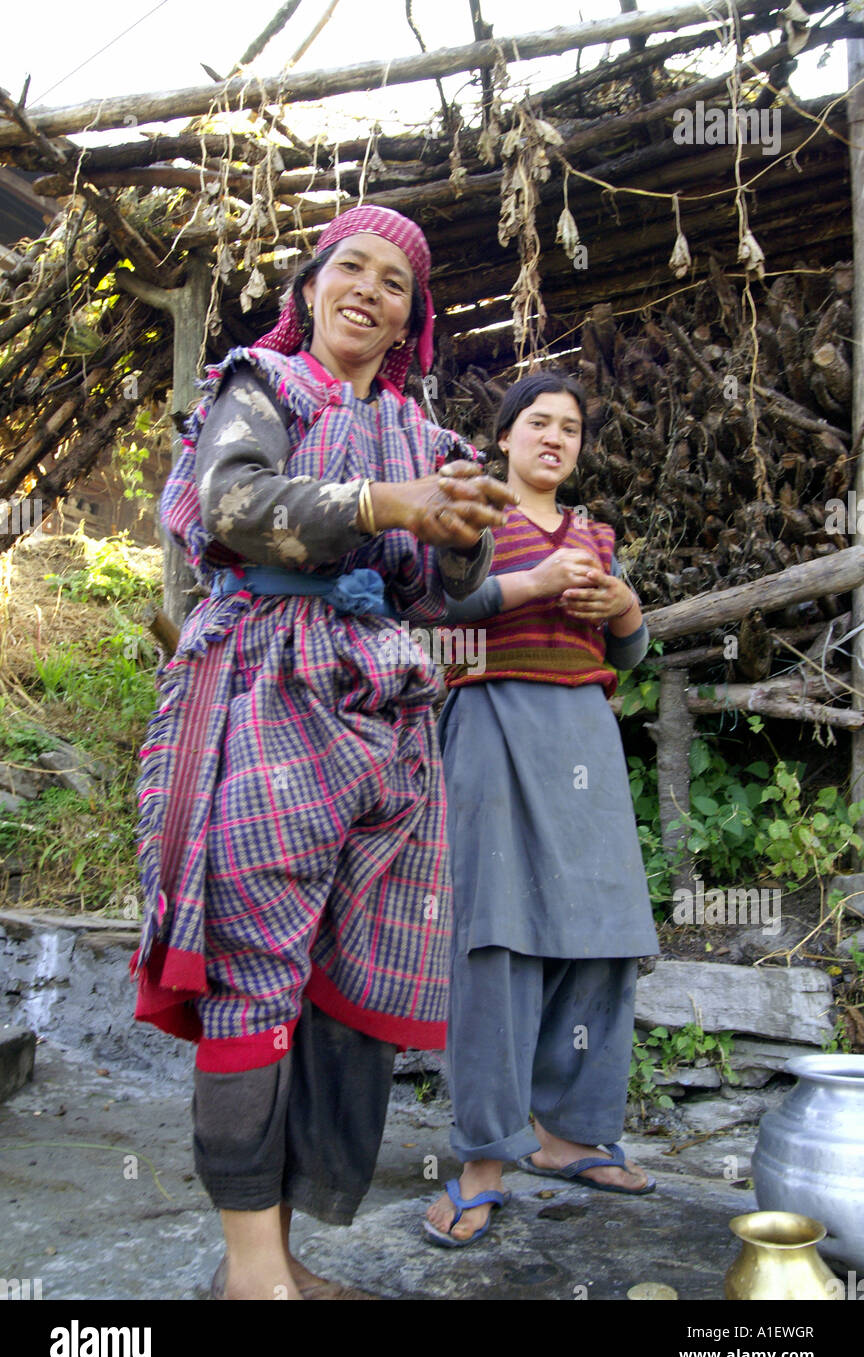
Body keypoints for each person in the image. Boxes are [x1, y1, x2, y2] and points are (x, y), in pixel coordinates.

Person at [131, 205, 515, 1298]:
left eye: (396, 282)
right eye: (353, 265)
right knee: (258, 972)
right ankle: (252, 1274)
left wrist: (466, 529)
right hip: (263, 688)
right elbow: (235, 504)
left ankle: (281, 1254)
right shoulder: (261, 386)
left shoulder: (426, 436)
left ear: (412, 318)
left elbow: (462, 597)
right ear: (309, 285)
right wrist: (381, 503)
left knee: (339, 984)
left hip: (383, 713)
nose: (371, 289)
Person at [424, 371, 660, 1248]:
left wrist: (625, 604)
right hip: (492, 722)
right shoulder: (475, 516)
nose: (555, 437)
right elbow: (440, 618)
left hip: (586, 738)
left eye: (570, 427)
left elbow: (631, 653)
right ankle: (484, 1159)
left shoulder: (596, 536)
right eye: (538, 422)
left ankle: (570, 1133)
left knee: (603, 934)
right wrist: (528, 585)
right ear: (506, 436)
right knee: (501, 936)